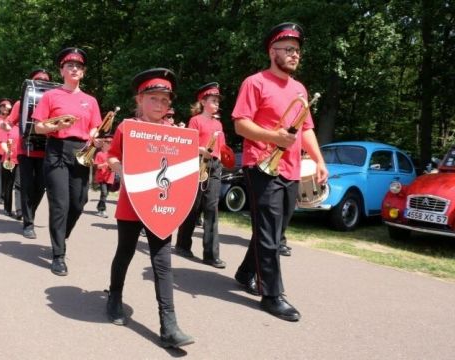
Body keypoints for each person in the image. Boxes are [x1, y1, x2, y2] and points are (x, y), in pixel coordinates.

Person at [232, 22, 328, 322]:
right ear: (272, 52)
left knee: (276, 228)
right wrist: (274, 138)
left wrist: (319, 160)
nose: (294, 55)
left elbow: (307, 128)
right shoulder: (255, 82)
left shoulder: (300, 88)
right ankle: (271, 294)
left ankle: (246, 271)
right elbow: (239, 123)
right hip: (261, 165)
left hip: (291, 168)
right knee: (270, 231)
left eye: (297, 51)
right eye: (288, 49)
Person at [105, 68, 194, 349]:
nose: (159, 104)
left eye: (164, 100)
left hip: (162, 204)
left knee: (162, 261)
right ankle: (114, 296)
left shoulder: (175, 133)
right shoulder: (125, 127)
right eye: (153, 98)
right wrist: (114, 165)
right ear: (139, 100)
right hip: (132, 203)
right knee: (125, 253)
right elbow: (111, 156)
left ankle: (169, 325)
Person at [33, 48, 102, 276]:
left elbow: (95, 126)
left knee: (79, 203)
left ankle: (61, 235)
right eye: (70, 65)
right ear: (61, 70)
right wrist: (56, 126)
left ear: (83, 72)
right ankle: (58, 255)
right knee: (60, 204)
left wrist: (94, 135)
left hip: (81, 151)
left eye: (79, 66)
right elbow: (38, 126)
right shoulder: (51, 96)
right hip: (57, 149)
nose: (74, 69)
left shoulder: (90, 100)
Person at [175, 82, 227, 269]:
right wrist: (201, 150)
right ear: (203, 101)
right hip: (198, 162)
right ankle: (182, 245)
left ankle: (211, 255)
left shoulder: (219, 123)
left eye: (217, 101)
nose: (216, 104)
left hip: (214, 165)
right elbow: (189, 143)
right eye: (213, 100)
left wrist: (221, 157)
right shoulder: (195, 120)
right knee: (194, 206)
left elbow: (221, 146)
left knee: (212, 208)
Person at [5, 68, 52, 239]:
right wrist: (6, 127)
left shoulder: (52, 100)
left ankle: (28, 212)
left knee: (40, 187)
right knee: (27, 186)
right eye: (39, 79)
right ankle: (28, 223)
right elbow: (10, 122)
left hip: (46, 150)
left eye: (46, 80)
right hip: (26, 150)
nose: (42, 81)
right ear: (32, 82)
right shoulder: (21, 102)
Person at [0, 125, 22, 219]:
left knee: (19, 184)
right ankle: (7, 208)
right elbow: (3, 142)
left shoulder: (25, 126)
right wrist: (7, 150)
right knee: (8, 185)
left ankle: (19, 210)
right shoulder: (8, 126)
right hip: (8, 160)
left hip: (21, 160)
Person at [93, 136, 114, 218]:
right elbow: (97, 166)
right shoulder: (99, 154)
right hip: (102, 177)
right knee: (104, 193)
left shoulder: (112, 154)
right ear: (103, 144)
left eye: (111, 143)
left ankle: (99, 207)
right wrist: (105, 165)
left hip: (110, 177)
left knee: (105, 194)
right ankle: (102, 210)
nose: (109, 144)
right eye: (108, 142)